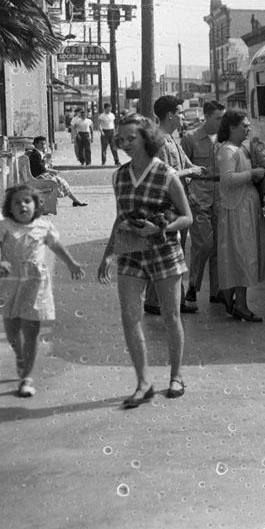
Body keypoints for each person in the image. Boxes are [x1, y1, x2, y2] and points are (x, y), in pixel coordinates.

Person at [96, 115, 192, 407]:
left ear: (145, 138)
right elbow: (120, 216)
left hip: (164, 252)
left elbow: (188, 216)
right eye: (120, 139)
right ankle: (143, 381)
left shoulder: (166, 174)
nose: (124, 144)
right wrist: (108, 254)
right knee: (129, 317)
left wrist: (160, 227)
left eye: (130, 138)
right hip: (130, 252)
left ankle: (176, 376)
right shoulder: (119, 175)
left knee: (170, 315)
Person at [0, 185, 85, 397]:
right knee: (12, 332)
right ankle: (19, 354)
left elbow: (56, 247)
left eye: (27, 201)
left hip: (35, 285)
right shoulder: (3, 227)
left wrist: (71, 263)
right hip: (9, 283)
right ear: (9, 207)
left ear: (36, 205)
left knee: (31, 332)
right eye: (17, 202)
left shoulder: (44, 226)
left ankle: (26, 377)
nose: (22, 205)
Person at [144, 95, 206, 315]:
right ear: (170, 115)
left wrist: (195, 168)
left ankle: (175, 301)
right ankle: (155, 302)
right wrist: (191, 171)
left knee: (175, 255)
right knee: (167, 254)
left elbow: (184, 163)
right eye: (180, 113)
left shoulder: (171, 138)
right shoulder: (159, 141)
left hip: (178, 204)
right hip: (166, 206)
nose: (182, 117)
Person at [215, 110, 265, 322]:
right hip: (237, 209)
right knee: (241, 254)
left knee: (245, 254)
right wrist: (252, 174)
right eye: (244, 126)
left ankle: (235, 300)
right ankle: (240, 304)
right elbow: (227, 179)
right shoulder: (227, 150)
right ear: (232, 127)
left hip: (247, 207)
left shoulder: (242, 149)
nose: (248, 129)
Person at [180, 100, 225, 309]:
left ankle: (216, 291)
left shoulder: (224, 139)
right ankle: (193, 286)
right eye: (217, 118)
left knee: (218, 246)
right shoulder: (190, 138)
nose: (220, 122)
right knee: (203, 244)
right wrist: (188, 196)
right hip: (199, 196)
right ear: (206, 117)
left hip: (220, 196)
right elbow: (183, 170)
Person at [26, 136, 87, 207]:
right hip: (37, 177)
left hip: (41, 174)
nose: (43, 146)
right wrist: (52, 170)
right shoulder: (35, 154)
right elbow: (41, 168)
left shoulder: (39, 153)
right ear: (36, 144)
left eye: (44, 144)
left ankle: (75, 201)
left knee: (61, 181)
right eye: (41, 144)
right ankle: (72, 200)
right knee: (58, 181)